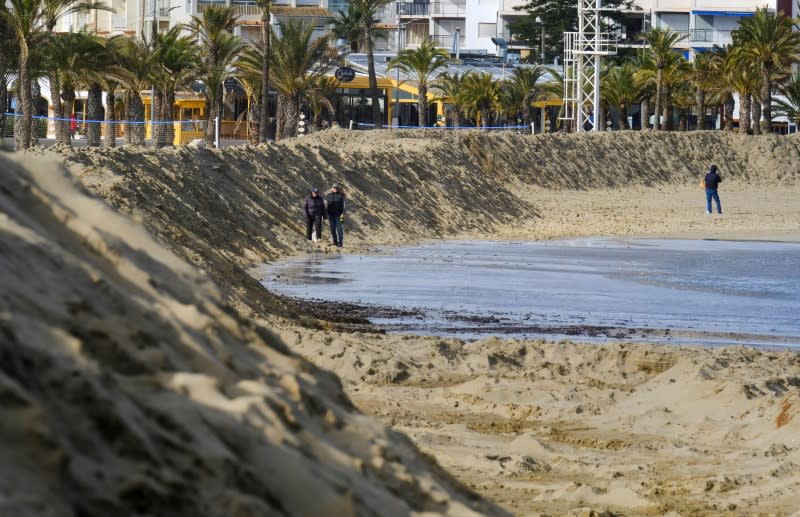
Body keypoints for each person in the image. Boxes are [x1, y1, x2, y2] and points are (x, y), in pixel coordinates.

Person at [325, 183, 346, 247]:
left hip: (340, 215)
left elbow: (344, 205)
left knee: (340, 228)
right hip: (331, 215)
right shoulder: (328, 196)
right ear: (332, 188)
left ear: (338, 188)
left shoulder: (342, 196)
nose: (335, 189)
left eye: (336, 187)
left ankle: (340, 243)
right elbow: (325, 205)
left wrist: (343, 214)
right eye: (334, 187)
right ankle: (335, 242)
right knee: (332, 229)